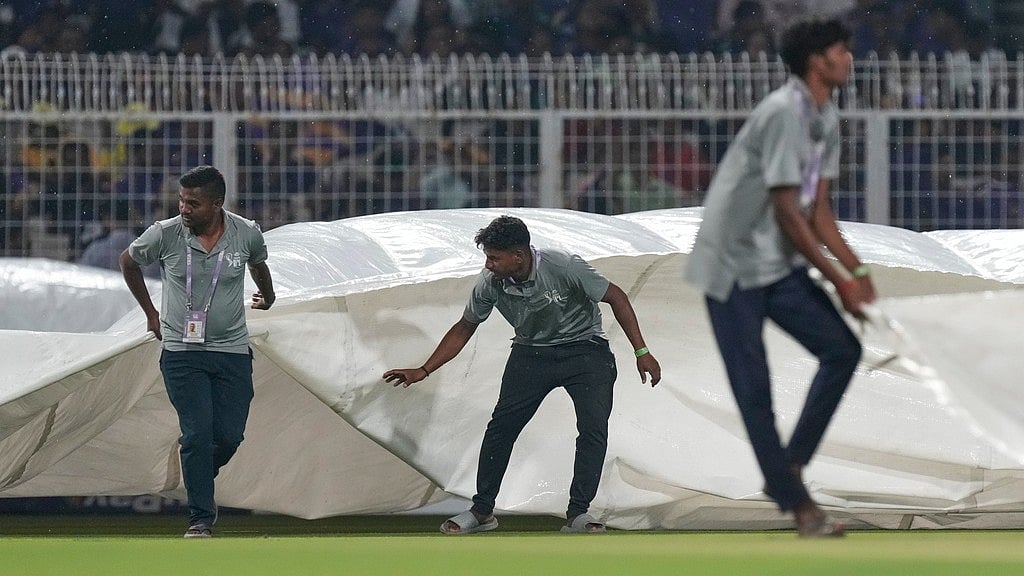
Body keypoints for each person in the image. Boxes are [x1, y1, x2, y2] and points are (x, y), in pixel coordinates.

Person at [684, 19, 876, 538]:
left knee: (843, 350)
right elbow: (789, 212)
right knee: (755, 391)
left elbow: (820, 216)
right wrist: (840, 281)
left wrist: (857, 271)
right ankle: (800, 507)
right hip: (731, 267)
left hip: (776, 264)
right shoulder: (782, 114)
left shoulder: (825, 117)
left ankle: (786, 471)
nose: (850, 58)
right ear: (818, 60)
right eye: (842, 49)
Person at [383, 215, 661, 534]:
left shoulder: (564, 266)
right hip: (531, 354)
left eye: (494, 257)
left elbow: (617, 297)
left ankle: (579, 514)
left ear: (519, 256)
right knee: (501, 428)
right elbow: (465, 326)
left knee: (592, 428)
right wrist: (423, 369)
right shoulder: (489, 282)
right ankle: (482, 511)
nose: (488, 265)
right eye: (487, 257)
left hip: (585, 350)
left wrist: (642, 352)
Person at [119, 165, 276, 538]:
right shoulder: (165, 234)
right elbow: (128, 261)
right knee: (197, 434)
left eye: (193, 203)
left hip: (233, 350)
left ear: (217, 204)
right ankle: (200, 518)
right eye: (181, 200)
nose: (183, 208)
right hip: (181, 350)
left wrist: (268, 296)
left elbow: (259, 263)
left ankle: (195, 469)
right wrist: (150, 312)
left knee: (228, 437)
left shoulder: (246, 233)